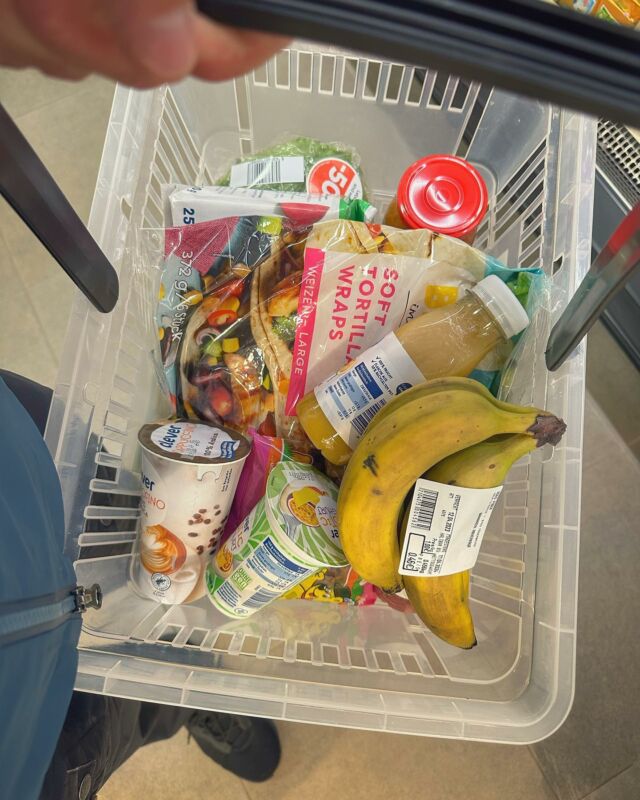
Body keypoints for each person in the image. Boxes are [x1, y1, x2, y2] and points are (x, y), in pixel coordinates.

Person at [0, 4, 287, 799]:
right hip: (32, 729)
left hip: (16, 464)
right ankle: (176, 701)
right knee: (109, 714)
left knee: (116, 494)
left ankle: (180, 679)